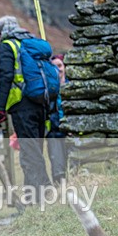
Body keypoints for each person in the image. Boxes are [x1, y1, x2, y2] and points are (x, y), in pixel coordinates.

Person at [0, 15, 52, 202]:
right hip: (41, 103)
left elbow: (6, 76)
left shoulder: (7, 45)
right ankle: (32, 199)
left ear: (1, 32)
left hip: (22, 105)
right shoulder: (31, 41)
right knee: (34, 150)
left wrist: (0, 108)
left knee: (30, 152)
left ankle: (46, 191)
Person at [47, 54, 68, 183]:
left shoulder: (73, 86)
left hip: (72, 131)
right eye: (55, 67)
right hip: (55, 132)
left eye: (60, 65)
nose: (58, 69)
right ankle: (59, 185)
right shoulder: (48, 90)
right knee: (58, 167)